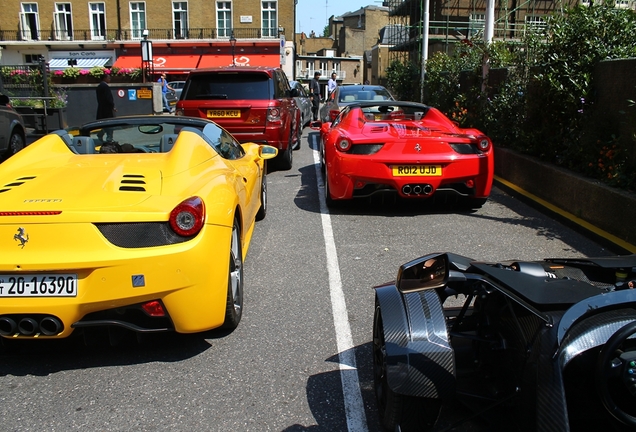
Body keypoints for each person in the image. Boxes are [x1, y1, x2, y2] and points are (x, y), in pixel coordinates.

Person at [96, 73, 116, 141]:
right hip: (107, 109)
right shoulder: (105, 87)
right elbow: (109, 98)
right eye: (108, 78)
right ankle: (109, 138)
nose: (109, 79)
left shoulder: (99, 86)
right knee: (110, 124)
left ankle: (100, 134)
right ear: (104, 78)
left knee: (104, 124)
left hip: (101, 109)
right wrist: (112, 106)